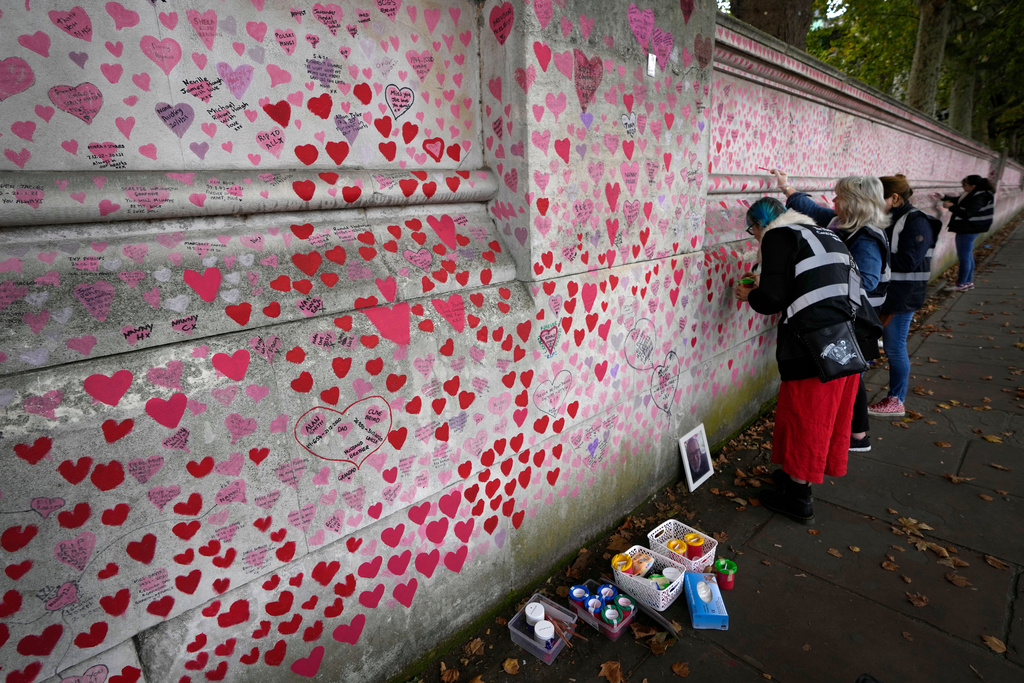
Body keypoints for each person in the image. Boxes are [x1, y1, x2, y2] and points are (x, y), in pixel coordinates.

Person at [735, 197, 861, 524]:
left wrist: (750, 294)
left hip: (814, 340)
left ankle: (798, 497)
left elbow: (772, 299)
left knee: (808, 416)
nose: (754, 237)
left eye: (752, 230)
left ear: (761, 224)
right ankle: (794, 477)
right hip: (845, 334)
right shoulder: (819, 232)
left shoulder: (778, 236)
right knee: (814, 413)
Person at [770, 171, 890, 454]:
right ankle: (852, 433)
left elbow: (868, 280)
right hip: (845, 316)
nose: (833, 200)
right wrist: (786, 186)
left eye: (839, 196)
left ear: (854, 202)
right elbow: (810, 209)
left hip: (855, 319)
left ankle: (858, 436)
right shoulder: (841, 223)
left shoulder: (866, 237)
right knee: (848, 375)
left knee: (850, 375)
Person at [868, 175, 943, 418]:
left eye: (877, 198)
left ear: (894, 198)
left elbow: (910, 260)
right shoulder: (894, 217)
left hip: (902, 297)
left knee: (895, 347)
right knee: (888, 345)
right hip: (890, 295)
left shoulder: (916, 221)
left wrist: (873, 257)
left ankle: (896, 400)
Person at [933, 174, 995, 291]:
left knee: (964, 257)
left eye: (965, 184)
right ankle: (968, 282)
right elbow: (960, 201)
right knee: (967, 255)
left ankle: (961, 284)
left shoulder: (979, 197)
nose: (963, 187)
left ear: (973, 186)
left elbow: (967, 213)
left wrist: (950, 207)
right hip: (972, 228)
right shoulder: (975, 193)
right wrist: (944, 197)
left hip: (969, 229)